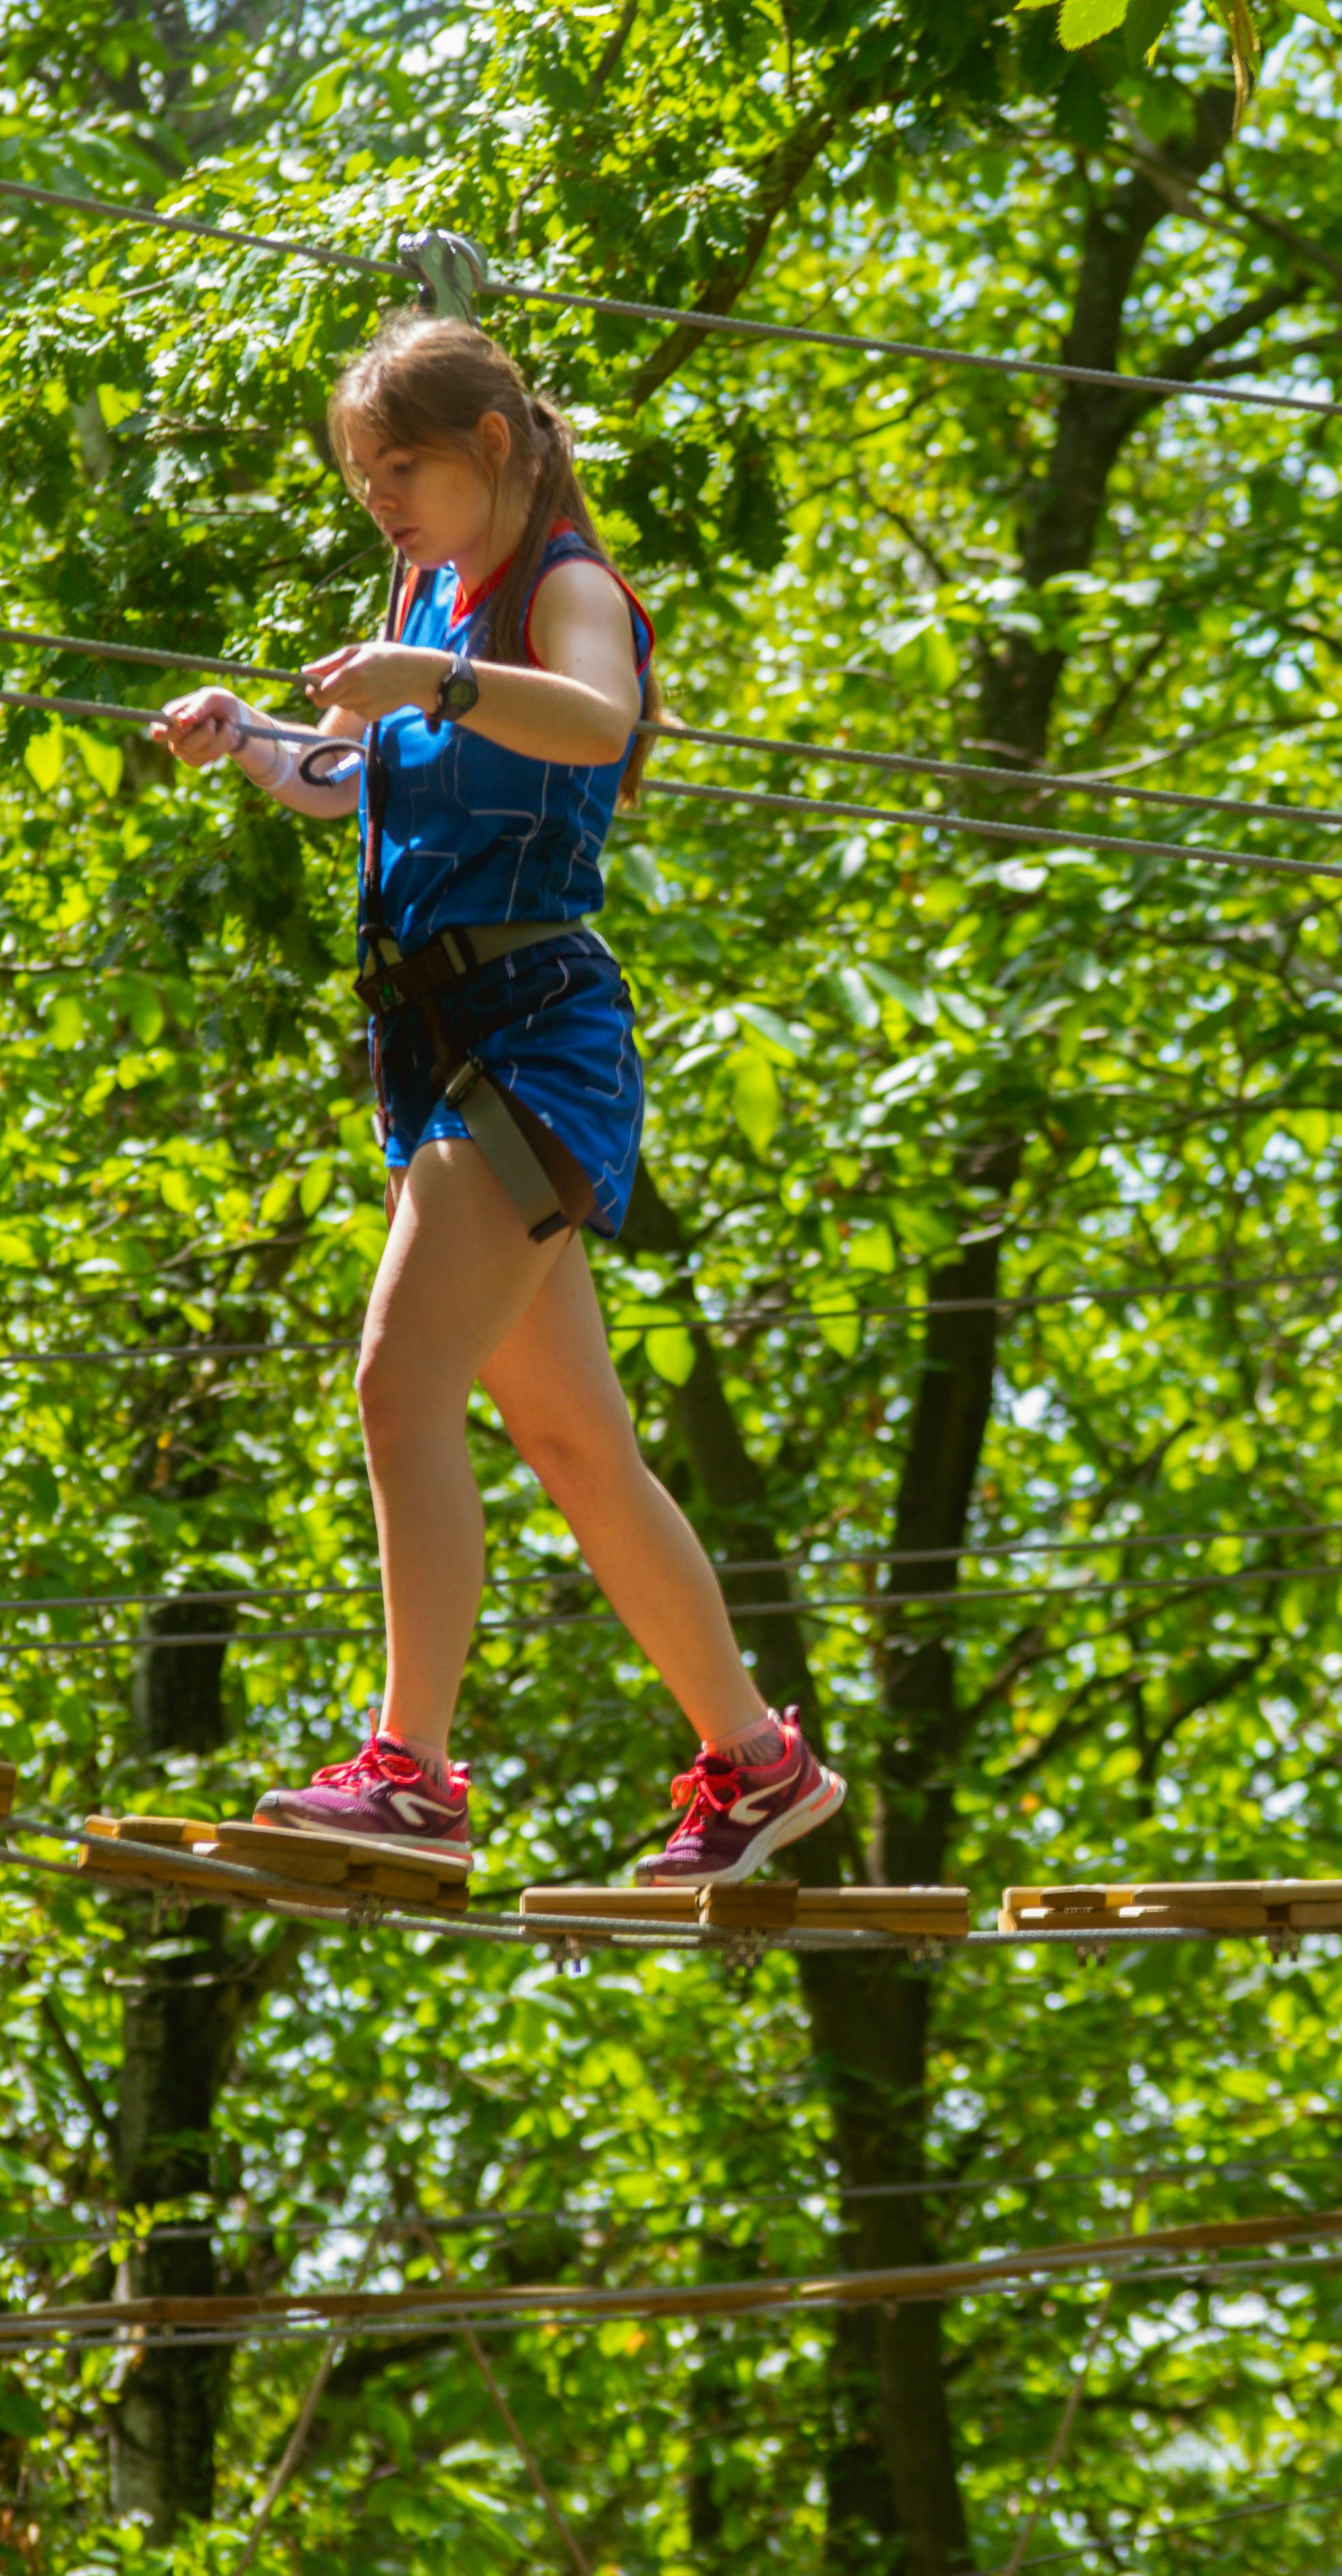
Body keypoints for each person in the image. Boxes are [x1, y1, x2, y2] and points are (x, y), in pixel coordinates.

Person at [147, 314, 843, 1889]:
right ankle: (756, 1762)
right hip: (433, 1043)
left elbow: (596, 722)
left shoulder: (560, 589)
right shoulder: (425, 601)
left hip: (534, 1036)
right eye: (360, 475)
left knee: (399, 1382)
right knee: (574, 1439)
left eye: (400, 468)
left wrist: (440, 677)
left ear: (491, 451)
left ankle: (413, 1772)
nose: (379, 499)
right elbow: (340, 780)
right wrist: (241, 736)